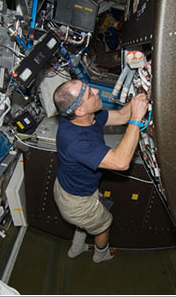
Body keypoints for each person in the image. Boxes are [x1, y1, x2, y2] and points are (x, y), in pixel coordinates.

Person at [51, 79, 148, 263]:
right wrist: (136, 120)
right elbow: (121, 163)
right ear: (79, 110)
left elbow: (120, 115)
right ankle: (100, 255)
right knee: (104, 224)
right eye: (89, 93)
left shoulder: (88, 117)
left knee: (86, 222)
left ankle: (76, 248)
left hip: (68, 189)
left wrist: (139, 99)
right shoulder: (75, 141)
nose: (96, 90)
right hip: (77, 202)